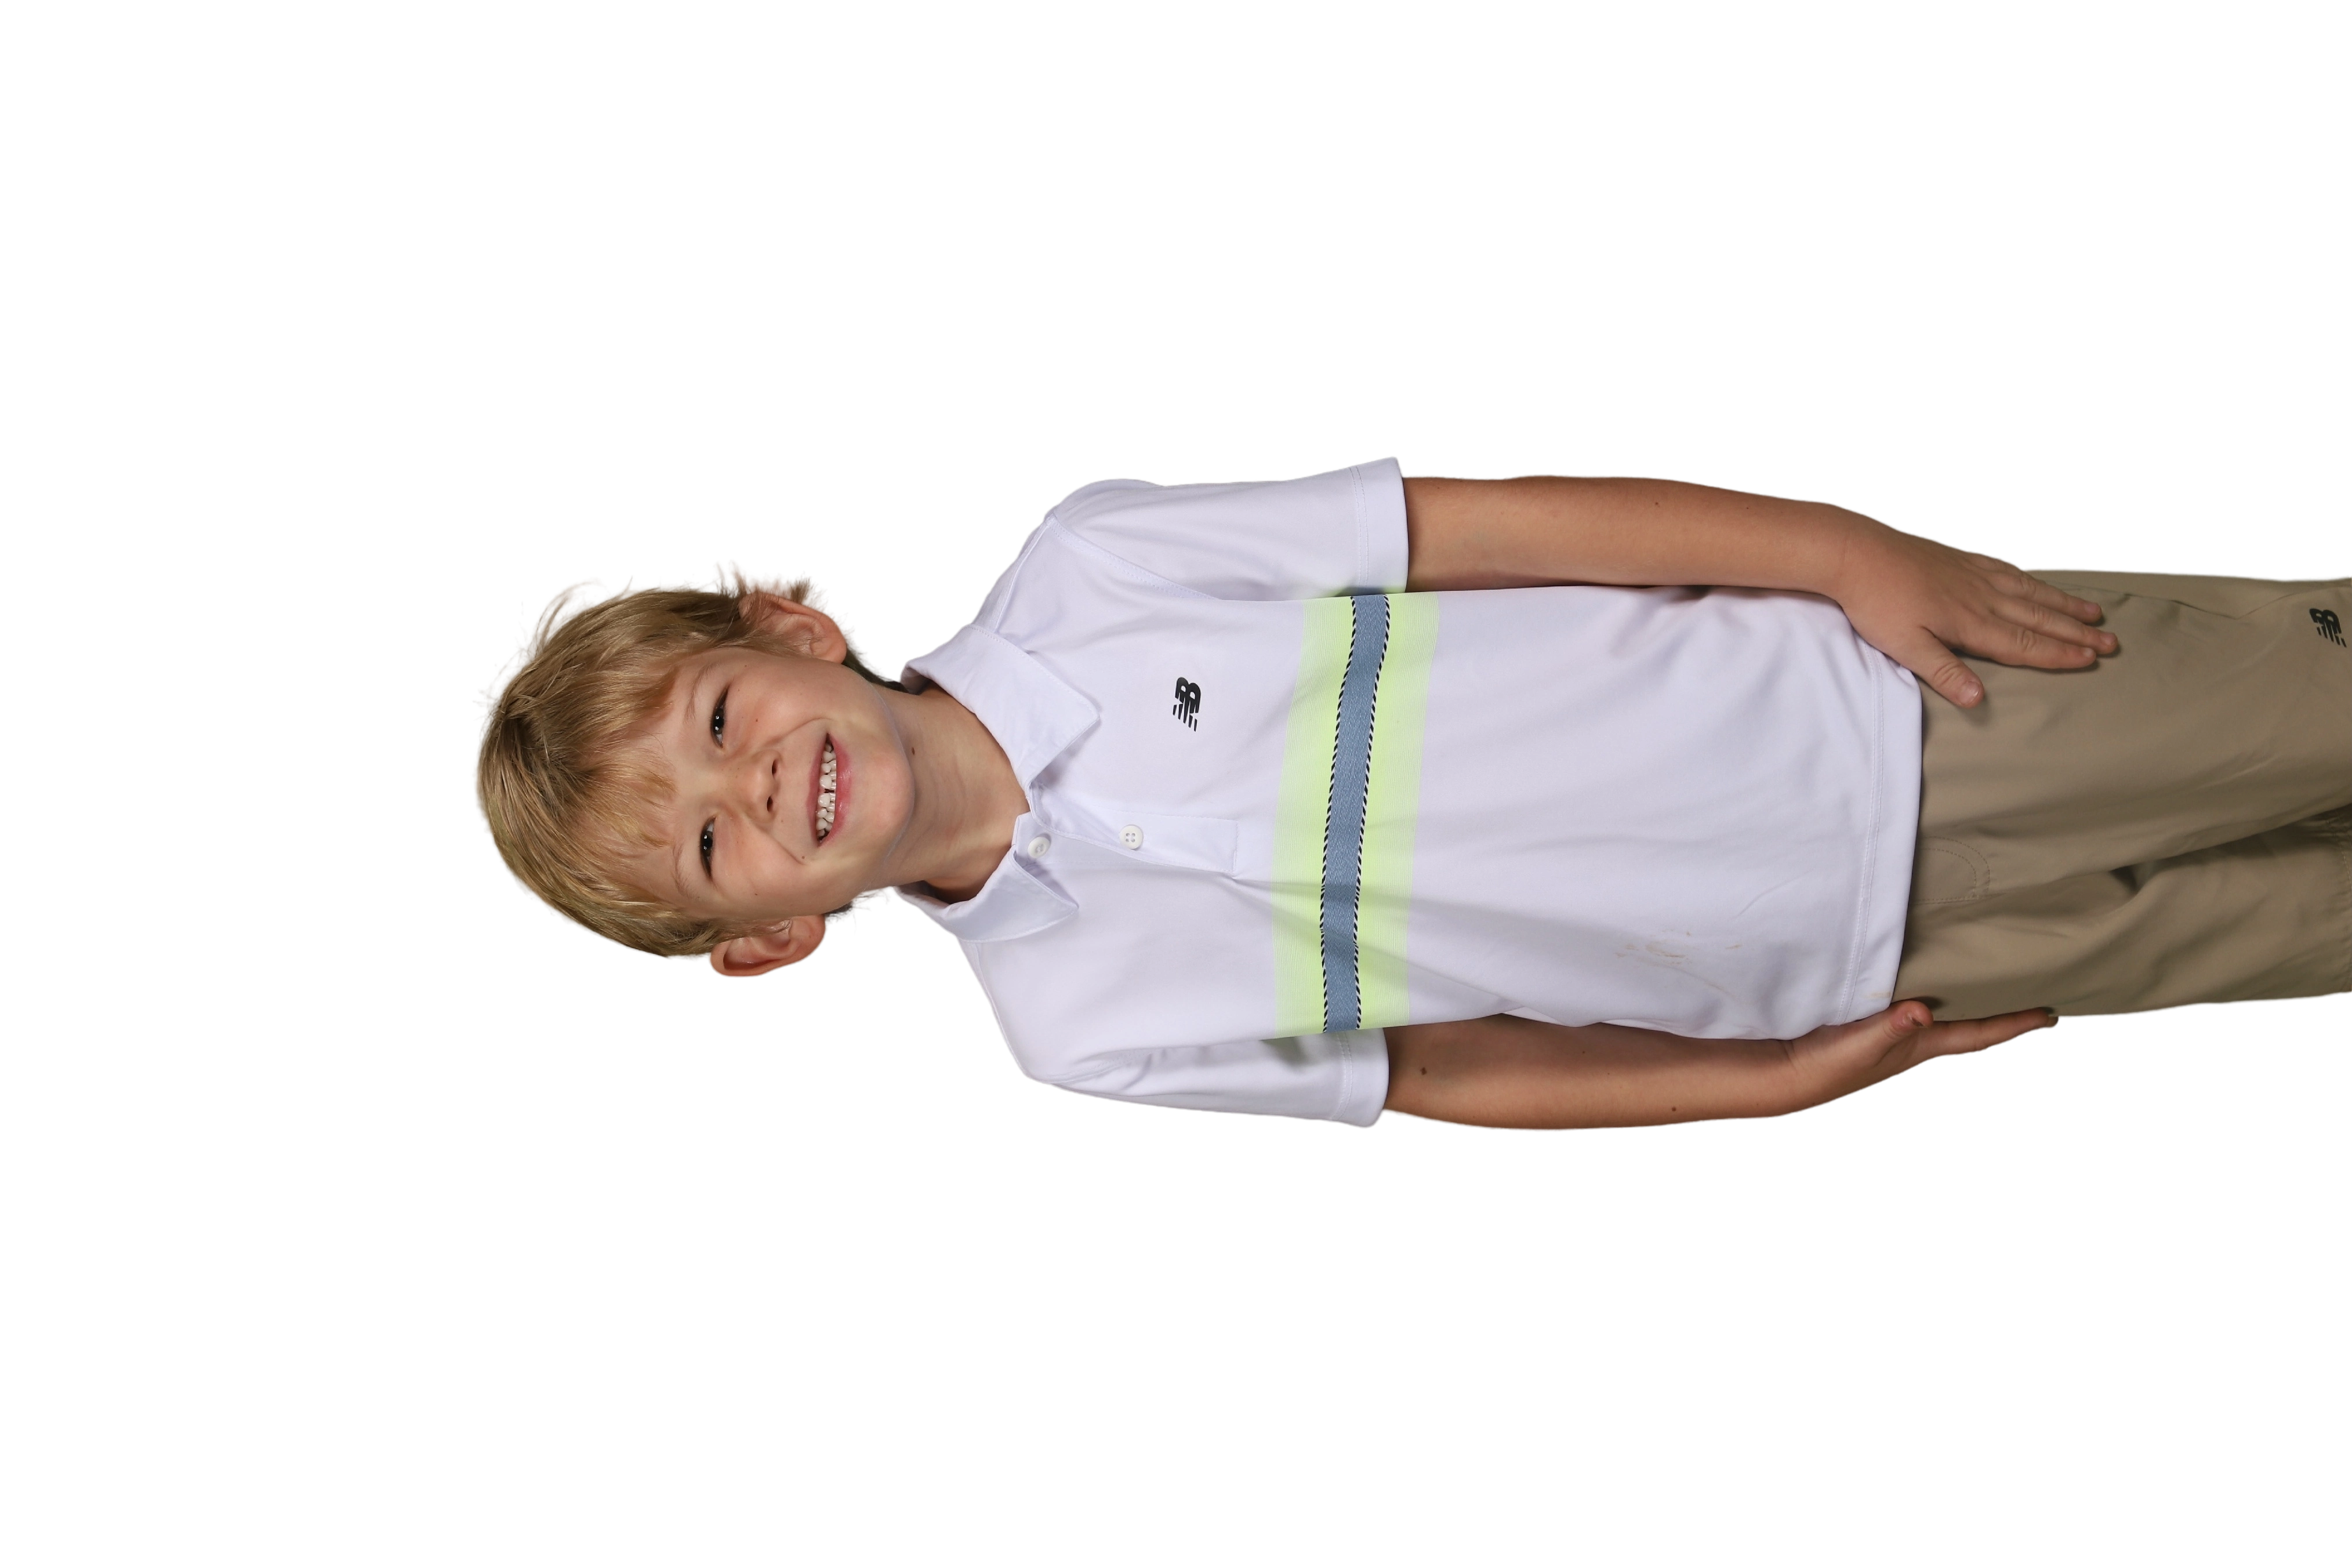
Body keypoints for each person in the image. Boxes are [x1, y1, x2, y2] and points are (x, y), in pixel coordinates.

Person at [467, 458, 2352, 1132]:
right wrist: (1773, 1082)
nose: (755, 785)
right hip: (1872, 955)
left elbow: (1508, 529)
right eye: (707, 840)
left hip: (1905, 707)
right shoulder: (1084, 1029)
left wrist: (1848, 555)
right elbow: (1451, 1072)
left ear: (791, 629)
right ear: (767, 938)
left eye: (721, 715)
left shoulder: (1103, 565)